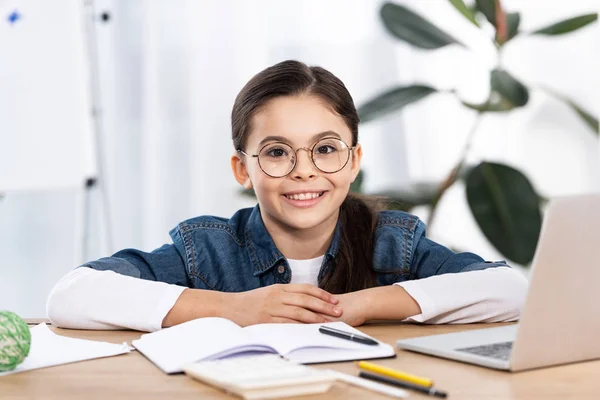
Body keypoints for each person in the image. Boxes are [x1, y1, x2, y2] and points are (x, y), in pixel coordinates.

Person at [47, 60, 527, 332]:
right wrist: (235, 308)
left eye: (325, 149)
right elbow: (71, 295)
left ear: (354, 161)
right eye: (277, 152)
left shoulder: (391, 243)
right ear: (243, 168)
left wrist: (361, 305)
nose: (304, 172)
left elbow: (511, 291)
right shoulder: (208, 250)